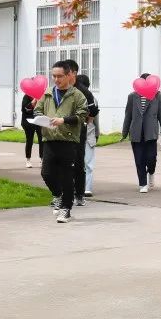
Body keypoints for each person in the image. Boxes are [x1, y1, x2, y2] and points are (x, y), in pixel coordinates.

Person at [34, 60, 90, 223]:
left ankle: (66, 209)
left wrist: (63, 120)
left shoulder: (77, 95)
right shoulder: (47, 93)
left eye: (59, 76)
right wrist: (41, 118)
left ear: (68, 76)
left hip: (68, 141)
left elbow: (82, 115)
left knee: (67, 176)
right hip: (49, 139)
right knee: (46, 173)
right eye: (53, 76)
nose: (56, 79)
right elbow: (38, 110)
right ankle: (58, 195)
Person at [121, 73, 161, 193]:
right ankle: (143, 184)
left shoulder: (157, 96)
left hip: (151, 132)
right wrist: (124, 133)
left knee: (151, 158)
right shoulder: (132, 97)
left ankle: (151, 172)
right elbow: (128, 115)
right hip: (136, 132)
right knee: (139, 159)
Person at [76, 73, 100, 199]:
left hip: (88, 133)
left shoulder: (92, 99)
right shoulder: (75, 97)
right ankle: (83, 187)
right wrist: (97, 133)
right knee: (85, 162)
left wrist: (96, 133)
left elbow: (95, 118)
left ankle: (87, 188)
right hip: (82, 133)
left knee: (87, 162)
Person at [20, 92, 43, 168]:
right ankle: (28, 160)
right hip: (29, 121)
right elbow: (24, 109)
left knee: (41, 140)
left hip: (39, 120)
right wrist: (33, 101)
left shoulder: (41, 96)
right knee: (29, 140)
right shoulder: (26, 96)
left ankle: (42, 159)